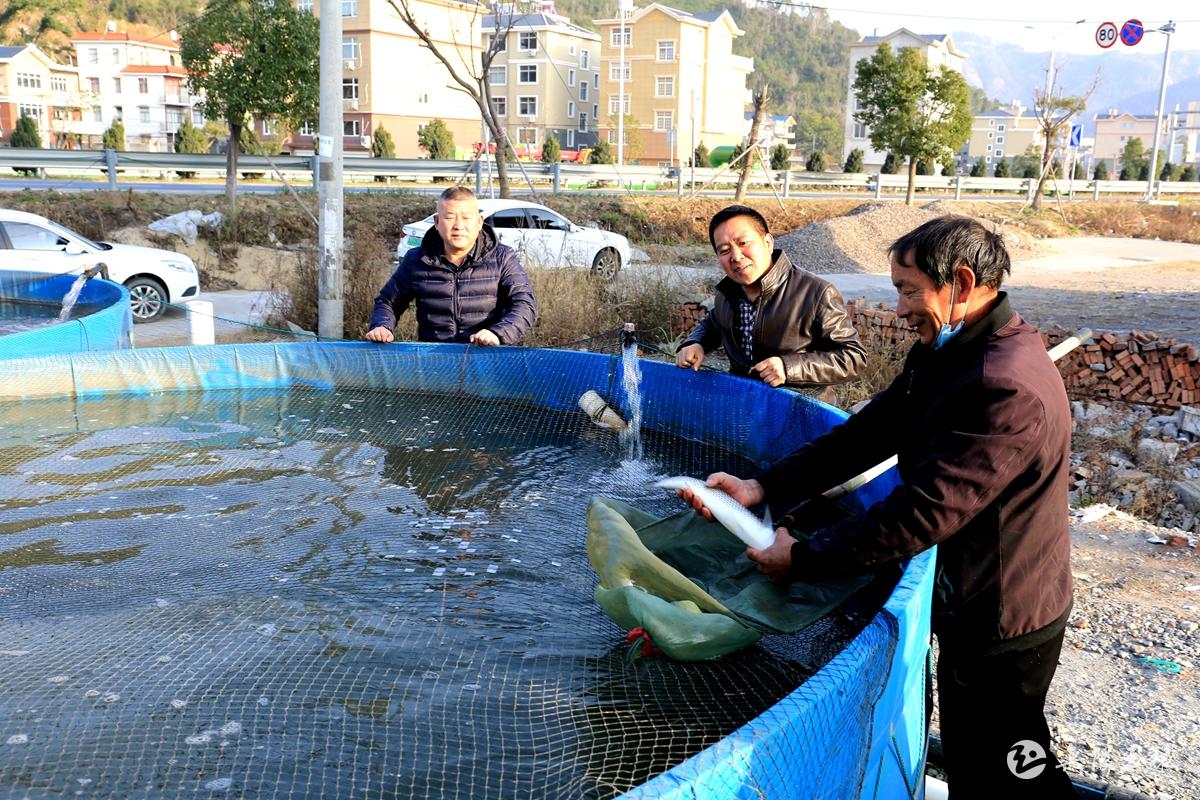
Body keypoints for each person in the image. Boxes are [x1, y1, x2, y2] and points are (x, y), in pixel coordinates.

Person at [678, 215, 1075, 798]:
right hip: (969, 595)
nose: (897, 309)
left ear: (961, 283)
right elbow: (869, 434)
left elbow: (922, 514)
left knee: (1012, 765)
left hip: (1004, 616)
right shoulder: (950, 352)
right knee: (977, 755)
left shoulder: (1003, 385)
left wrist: (803, 558)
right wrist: (764, 487)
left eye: (909, 290)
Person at [675, 205, 865, 389]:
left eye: (743, 243)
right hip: (744, 406)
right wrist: (695, 343)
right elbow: (714, 322)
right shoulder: (727, 293)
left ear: (768, 242)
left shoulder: (815, 293)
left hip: (798, 410)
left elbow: (853, 356)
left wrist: (788, 367)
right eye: (724, 250)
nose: (736, 256)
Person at [366, 187, 537, 345]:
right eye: (449, 217)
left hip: (487, 358)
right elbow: (388, 301)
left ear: (479, 222)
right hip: (435, 363)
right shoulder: (417, 259)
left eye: (466, 217)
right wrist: (383, 326)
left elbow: (524, 304)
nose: (458, 226)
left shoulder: (503, 258)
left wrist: (498, 333)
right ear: (437, 222)